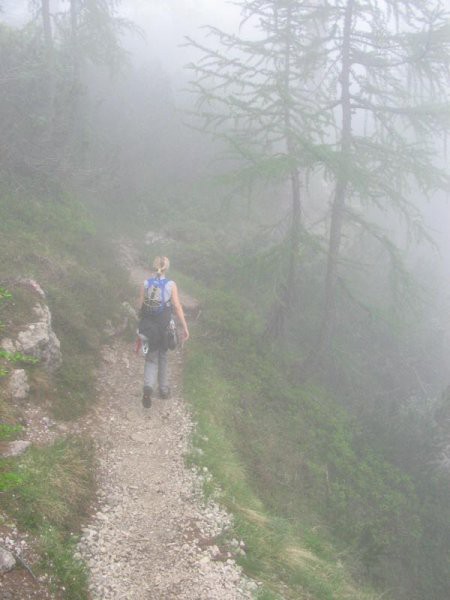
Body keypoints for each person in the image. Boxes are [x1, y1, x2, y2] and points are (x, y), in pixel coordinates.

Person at [137, 256, 189, 408]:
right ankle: (164, 390)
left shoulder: (146, 283)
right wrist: (184, 327)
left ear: (154, 267)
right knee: (163, 356)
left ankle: (148, 388)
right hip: (164, 324)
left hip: (148, 324)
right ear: (166, 268)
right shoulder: (171, 284)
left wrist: (141, 324)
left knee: (151, 357)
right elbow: (177, 307)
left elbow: (140, 305)